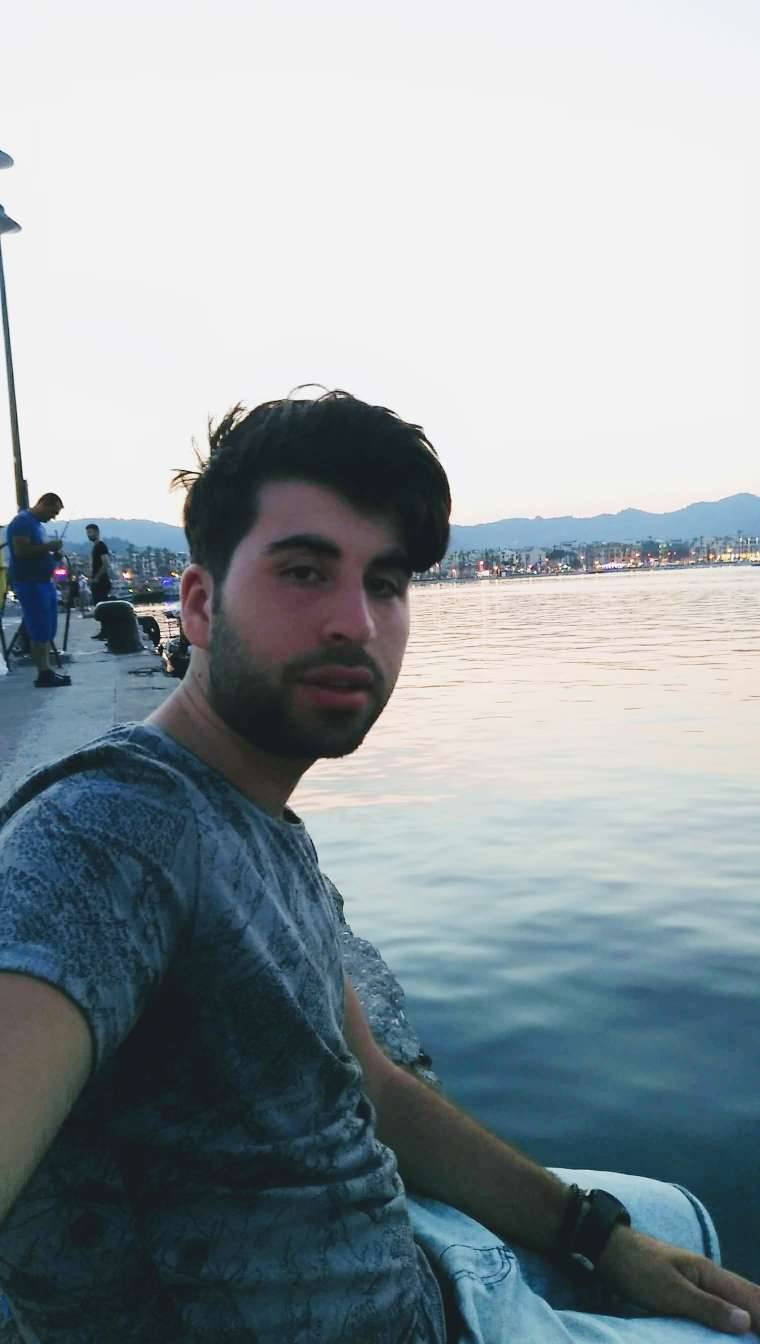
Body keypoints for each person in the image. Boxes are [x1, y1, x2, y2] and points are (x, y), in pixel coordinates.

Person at [0, 392, 758, 1344]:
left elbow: (377, 1086)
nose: (355, 621)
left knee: (677, 1224)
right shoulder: (104, 838)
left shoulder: (254, 817)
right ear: (199, 605)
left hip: (422, 1255)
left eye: (386, 582)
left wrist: (597, 1236)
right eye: (304, 571)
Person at [4, 492, 71, 688]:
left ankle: (47, 670)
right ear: (44, 504)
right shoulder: (22, 521)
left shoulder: (38, 526)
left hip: (44, 582)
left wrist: (53, 555)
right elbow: (21, 551)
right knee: (39, 628)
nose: (53, 517)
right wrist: (48, 546)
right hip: (30, 583)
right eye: (53, 512)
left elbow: (38, 552)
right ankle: (43, 673)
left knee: (48, 628)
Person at [86, 522, 111, 618]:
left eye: (90, 532)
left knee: (102, 607)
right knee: (99, 607)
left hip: (101, 582)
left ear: (97, 532)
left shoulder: (101, 546)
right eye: (87, 533)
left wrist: (97, 578)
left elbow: (106, 563)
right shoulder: (95, 547)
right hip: (97, 582)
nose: (88, 535)